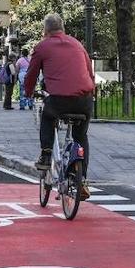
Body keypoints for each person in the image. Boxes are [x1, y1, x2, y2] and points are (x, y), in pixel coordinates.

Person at [23, 14, 95, 185]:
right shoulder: (78, 44)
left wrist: (28, 92)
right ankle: (81, 178)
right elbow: (90, 74)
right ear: (63, 29)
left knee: (48, 117)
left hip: (59, 100)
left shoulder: (42, 47)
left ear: (45, 30)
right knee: (81, 136)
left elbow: (31, 75)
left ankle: (46, 155)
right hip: (84, 100)